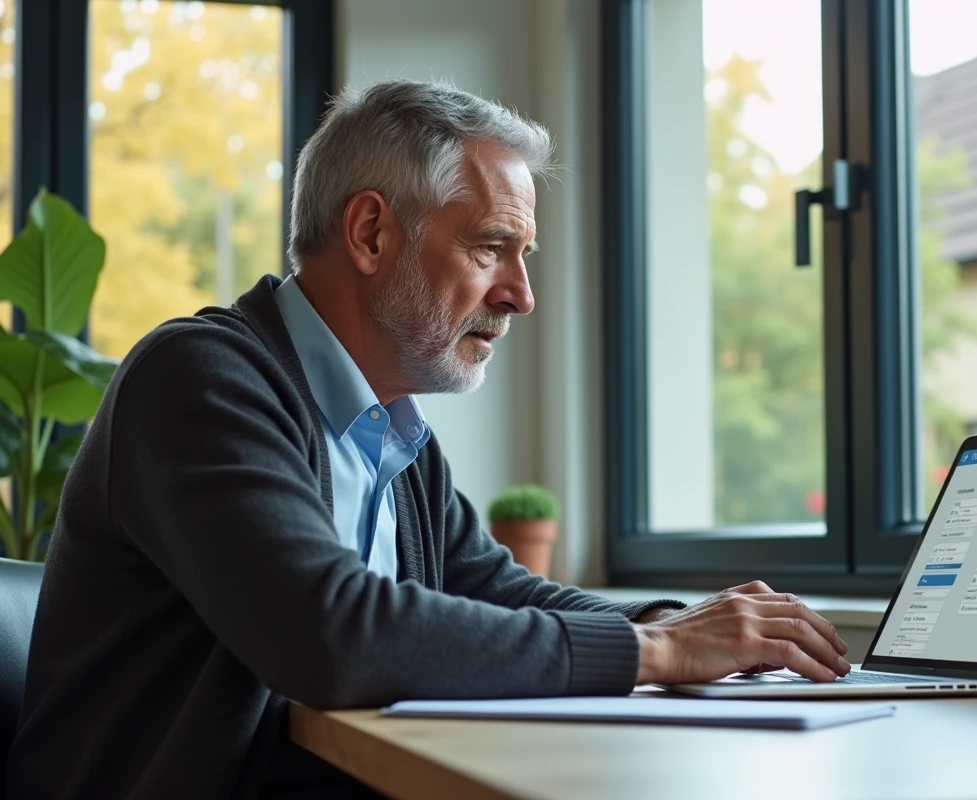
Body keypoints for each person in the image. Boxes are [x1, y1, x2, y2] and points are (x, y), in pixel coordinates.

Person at [7, 80, 850, 799]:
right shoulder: (199, 378)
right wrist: (662, 650)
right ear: (371, 233)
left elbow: (493, 590)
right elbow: (333, 632)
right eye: (493, 248)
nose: (522, 294)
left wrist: (680, 621)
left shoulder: (395, 433)